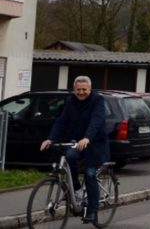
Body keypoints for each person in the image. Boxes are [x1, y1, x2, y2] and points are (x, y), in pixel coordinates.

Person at [40, 76, 108, 225]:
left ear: (90, 89)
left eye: (84, 89)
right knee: (70, 157)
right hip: (77, 142)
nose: (81, 92)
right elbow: (62, 121)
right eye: (78, 90)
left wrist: (88, 137)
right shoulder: (71, 101)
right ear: (74, 89)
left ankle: (92, 210)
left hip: (95, 143)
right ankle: (76, 188)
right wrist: (51, 138)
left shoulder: (98, 100)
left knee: (90, 174)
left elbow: (96, 120)